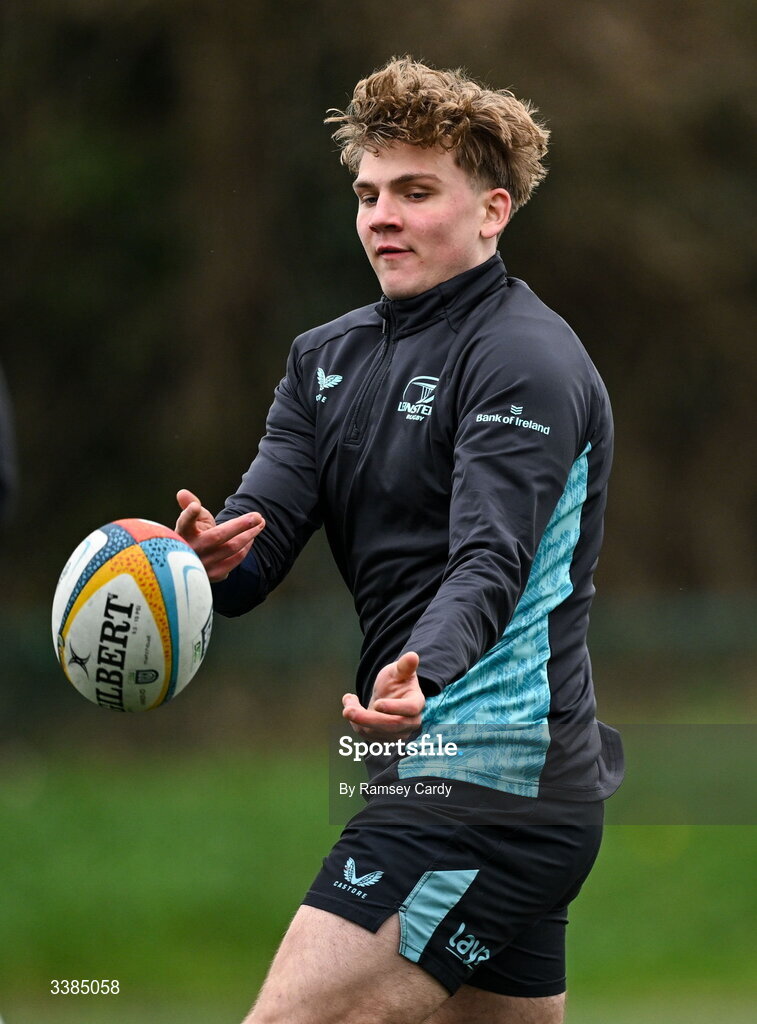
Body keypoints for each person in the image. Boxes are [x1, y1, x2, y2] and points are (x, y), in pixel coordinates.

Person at [175, 57, 623, 1024]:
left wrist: (428, 666)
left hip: (488, 778)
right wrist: (200, 566)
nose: (382, 215)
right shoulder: (324, 360)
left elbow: (490, 556)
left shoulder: (525, 357)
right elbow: (258, 538)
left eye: (416, 192)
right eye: (369, 193)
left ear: (491, 210)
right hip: (455, 776)